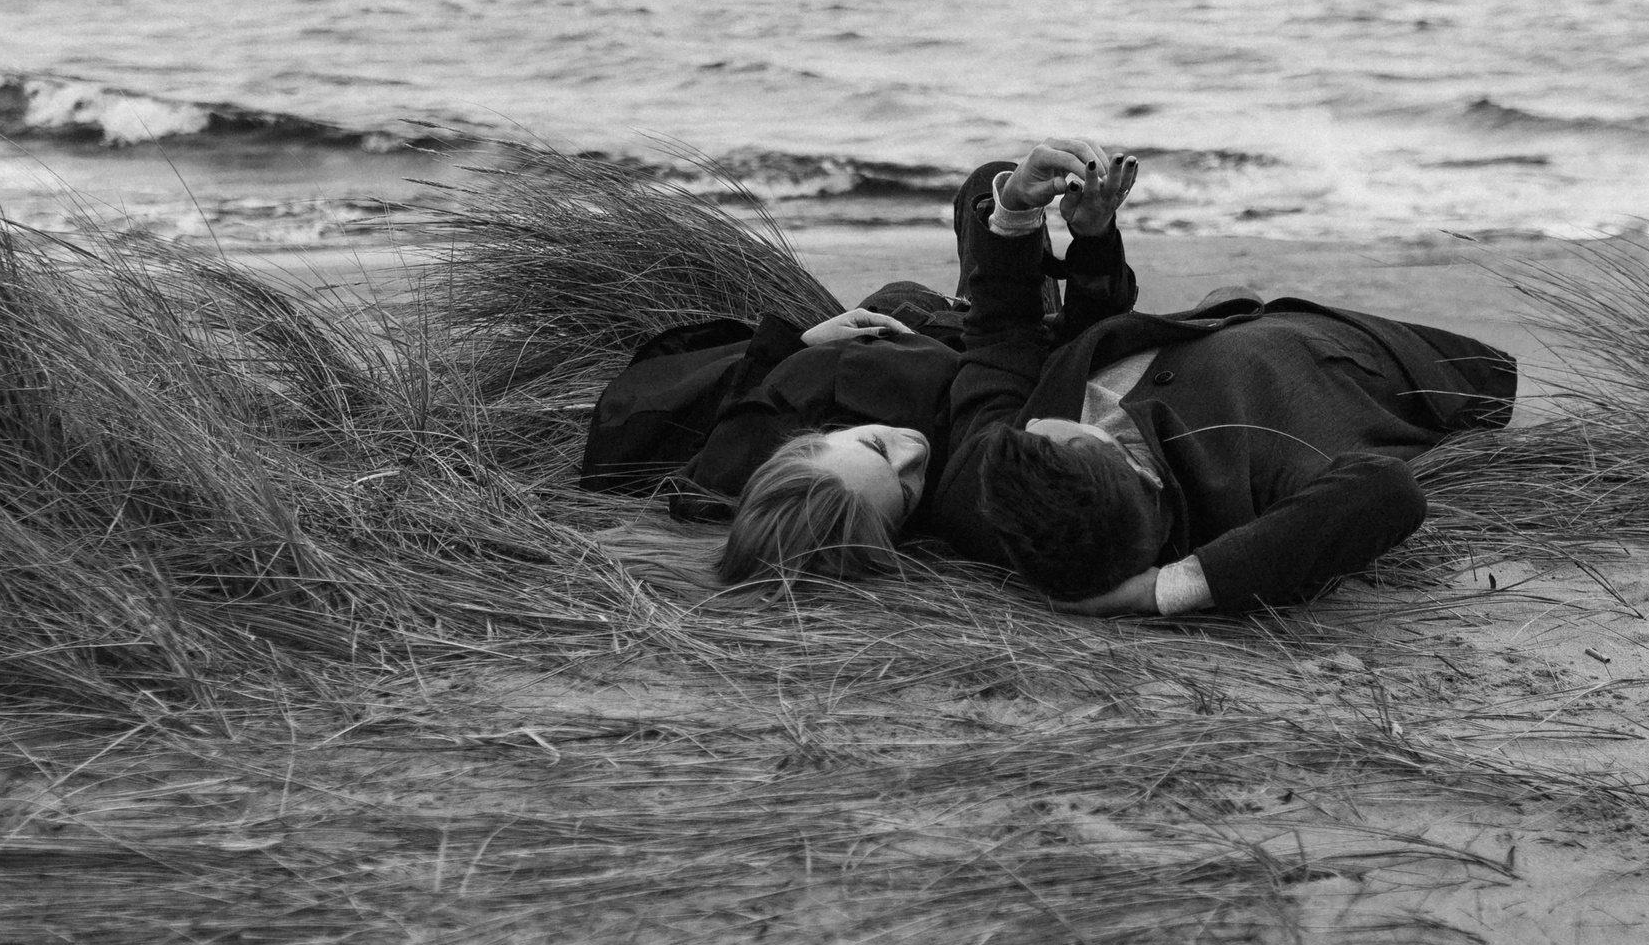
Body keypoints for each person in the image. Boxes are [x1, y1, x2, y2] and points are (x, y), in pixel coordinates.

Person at [930, 156, 1517, 616]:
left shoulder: (985, 493)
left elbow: (1000, 342)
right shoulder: (1245, 484)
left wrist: (1018, 213)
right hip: (1366, 360)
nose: (1032, 419)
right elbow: (1388, 492)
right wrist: (1162, 590)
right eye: (1054, 431)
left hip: (1206, 322)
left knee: (991, 182)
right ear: (1114, 455)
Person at [577, 142, 1141, 581]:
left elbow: (644, 406)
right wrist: (1090, 240)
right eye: (908, 491)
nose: (914, 452)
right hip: (985, 337)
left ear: (800, 448)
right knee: (993, 184)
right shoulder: (976, 477)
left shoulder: (730, 471)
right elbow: (1049, 348)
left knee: (987, 185)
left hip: (895, 322)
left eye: (876, 447)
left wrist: (802, 343)